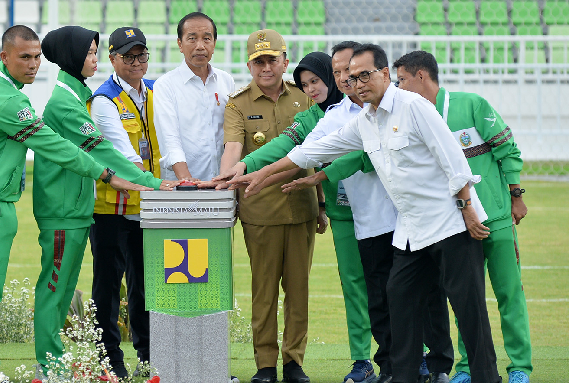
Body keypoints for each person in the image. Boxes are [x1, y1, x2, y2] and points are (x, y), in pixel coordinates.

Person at [228, 44, 502, 383]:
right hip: (410, 231)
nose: (357, 82)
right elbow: (311, 149)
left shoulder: (413, 106)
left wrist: (467, 209)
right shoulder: (364, 120)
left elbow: (454, 160)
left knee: (468, 310)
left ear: (385, 74)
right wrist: (259, 172)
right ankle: (404, 376)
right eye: (351, 77)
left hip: (451, 223)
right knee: (398, 301)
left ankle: (486, 377)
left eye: (364, 75)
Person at [0, 25, 149, 376]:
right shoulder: (11, 100)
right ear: (4, 57)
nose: (33, 65)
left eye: (37, 57)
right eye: (24, 57)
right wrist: (108, 176)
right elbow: (56, 147)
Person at [34, 25, 175, 373]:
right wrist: (149, 182)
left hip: (85, 206)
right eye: (89, 53)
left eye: (95, 52)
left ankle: (57, 365)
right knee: (65, 290)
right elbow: (103, 150)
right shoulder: (77, 101)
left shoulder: (77, 93)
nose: (93, 58)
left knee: (70, 289)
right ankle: (55, 366)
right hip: (75, 208)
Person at [393, 50, 531, 383]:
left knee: (509, 293)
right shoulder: (409, 116)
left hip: (494, 218)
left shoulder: (471, 104)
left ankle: (520, 367)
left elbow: (507, 150)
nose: (397, 88)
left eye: (401, 80)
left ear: (421, 76)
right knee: (464, 298)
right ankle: (467, 367)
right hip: (455, 225)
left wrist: (515, 196)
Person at [217, 29, 320, 383]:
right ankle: (264, 365)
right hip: (259, 209)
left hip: (301, 207)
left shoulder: (306, 98)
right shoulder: (237, 104)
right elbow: (233, 152)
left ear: (285, 61)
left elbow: (317, 154)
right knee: (263, 291)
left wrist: (321, 206)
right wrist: (223, 192)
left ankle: (294, 362)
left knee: (299, 291)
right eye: (258, 61)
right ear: (248, 65)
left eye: (271, 59)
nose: (265, 67)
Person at [86, 26, 160, 379]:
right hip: (110, 210)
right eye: (127, 56)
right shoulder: (103, 100)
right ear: (112, 59)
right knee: (108, 287)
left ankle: (147, 356)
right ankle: (109, 359)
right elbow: (122, 153)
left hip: (148, 208)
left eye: (141, 55)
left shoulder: (157, 92)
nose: (136, 62)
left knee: (146, 285)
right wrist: (162, 187)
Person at [153, 12, 235, 181]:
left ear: (214, 43)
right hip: (182, 187)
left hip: (221, 184)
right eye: (192, 38)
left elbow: (232, 134)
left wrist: (225, 179)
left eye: (206, 38)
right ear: (180, 44)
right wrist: (187, 181)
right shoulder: (165, 85)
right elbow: (170, 140)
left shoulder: (226, 81)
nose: (200, 46)